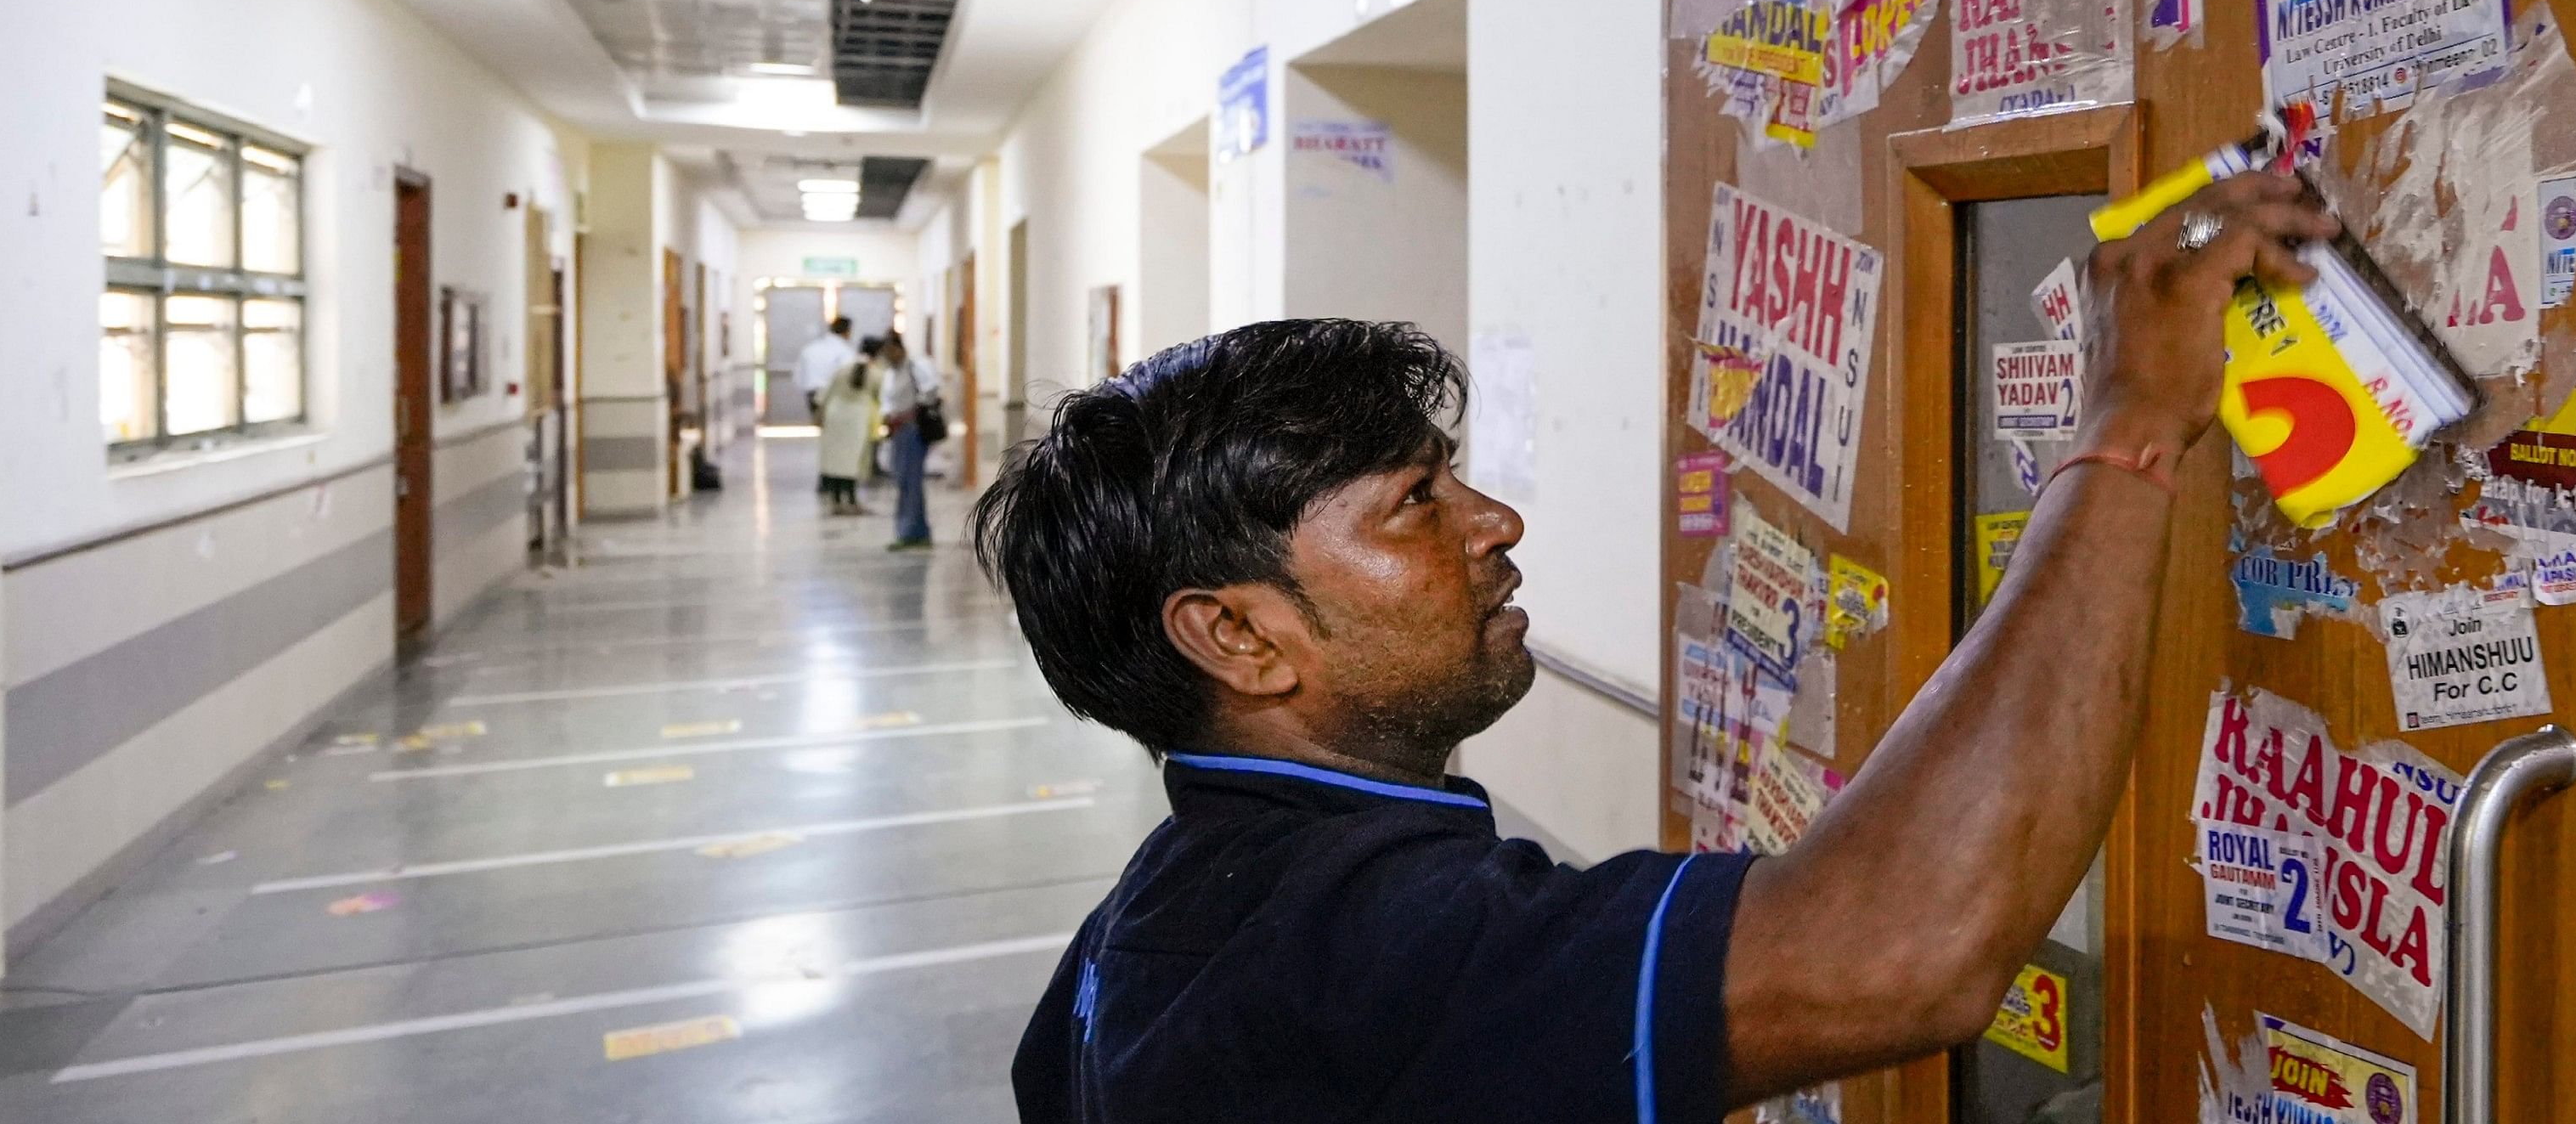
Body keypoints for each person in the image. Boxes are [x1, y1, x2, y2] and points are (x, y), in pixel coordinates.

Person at [969, 169, 2334, 1121]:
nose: (1495, 519)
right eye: (1412, 505)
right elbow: (1905, 945)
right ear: (1240, 636)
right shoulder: (1360, 946)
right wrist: (2130, 422)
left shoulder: (1143, 924)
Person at [877, 331, 944, 551]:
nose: (888, 357)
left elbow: (931, 390)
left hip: (914, 431)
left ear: (898, 348)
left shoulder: (916, 365)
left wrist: (913, 410)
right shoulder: (892, 373)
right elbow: (887, 399)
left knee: (911, 482)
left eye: (890, 352)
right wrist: (888, 414)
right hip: (898, 431)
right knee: (903, 481)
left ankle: (912, 532)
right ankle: (914, 530)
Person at [814, 353, 879, 517]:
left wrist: (819, 415)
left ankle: (836, 501)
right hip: (856, 417)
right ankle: (851, 500)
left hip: (836, 415)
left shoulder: (842, 369)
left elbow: (825, 394)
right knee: (852, 460)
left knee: (835, 460)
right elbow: (882, 395)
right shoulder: (875, 373)